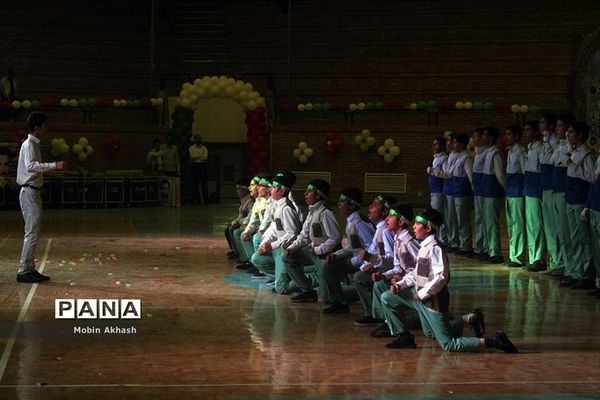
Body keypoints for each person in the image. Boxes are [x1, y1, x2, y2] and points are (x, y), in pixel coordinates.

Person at [379, 208, 517, 353]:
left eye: (418, 223)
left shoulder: (434, 248)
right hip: (421, 297)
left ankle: (496, 341)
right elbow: (416, 273)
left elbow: (442, 276)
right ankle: (471, 318)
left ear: (428, 228)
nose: (413, 226)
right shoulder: (423, 247)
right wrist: (400, 285)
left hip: (434, 300)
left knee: (448, 344)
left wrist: (424, 293)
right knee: (390, 299)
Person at [16, 112, 67, 283]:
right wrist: (54, 165)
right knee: (31, 233)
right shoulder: (29, 144)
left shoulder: (33, 144)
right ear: (37, 127)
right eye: (45, 126)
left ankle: (29, 267)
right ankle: (24, 270)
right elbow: (31, 166)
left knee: (34, 232)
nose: (47, 128)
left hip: (33, 191)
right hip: (29, 191)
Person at [283, 179, 342, 303]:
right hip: (313, 252)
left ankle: (354, 292)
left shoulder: (325, 213)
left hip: (324, 256)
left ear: (318, 195)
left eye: (309, 191)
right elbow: (304, 235)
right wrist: (291, 248)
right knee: (288, 257)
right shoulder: (311, 212)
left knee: (326, 299)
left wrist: (319, 250)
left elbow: (336, 238)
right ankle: (307, 290)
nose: (305, 194)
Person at [322, 188, 375, 310]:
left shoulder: (360, 223)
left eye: (342, 202)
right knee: (329, 265)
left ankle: (343, 301)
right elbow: (352, 247)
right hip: (356, 257)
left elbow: (371, 249)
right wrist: (336, 254)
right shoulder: (351, 221)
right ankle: (340, 300)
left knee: (331, 268)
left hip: (365, 262)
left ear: (351, 205)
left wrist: (353, 261)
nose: (338, 204)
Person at [561, 121, 596, 290]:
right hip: (571, 198)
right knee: (572, 239)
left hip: (580, 199)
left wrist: (574, 167)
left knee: (583, 239)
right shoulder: (573, 152)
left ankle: (586, 275)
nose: (568, 135)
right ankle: (575, 272)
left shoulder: (587, 155)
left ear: (581, 135)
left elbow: (592, 179)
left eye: (572, 132)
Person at [351, 194, 396, 317]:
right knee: (361, 274)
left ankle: (375, 314)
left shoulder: (386, 231)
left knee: (359, 277)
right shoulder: (379, 229)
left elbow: (393, 260)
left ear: (385, 212)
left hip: (390, 272)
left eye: (375, 205)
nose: (370, 207)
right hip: (381, 267)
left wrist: (370, 261)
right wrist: (367, 264)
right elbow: (373, 251)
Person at [548, 112, 576, 278]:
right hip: (556, 189)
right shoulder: (559, 145)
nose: (556, 129)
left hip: (565, 192)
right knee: (558, 230)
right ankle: (563, 264)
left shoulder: (569, 148)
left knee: (567, 232)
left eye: (560, 126)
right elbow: (551, 161)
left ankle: (571, 268)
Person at [523, 120, 546, 271]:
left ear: (536, 133)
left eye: (529, 130)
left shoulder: (539, 149)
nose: (526, 134)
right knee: (531, 226)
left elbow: (541, 172)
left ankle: (538, 258)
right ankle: (533, 257)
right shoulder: (530, 149)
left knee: (537, 225)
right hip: (529, 190)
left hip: (535, 191)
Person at [539, 113, 560, 273]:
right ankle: (554, 261)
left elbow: (551, 160)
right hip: (545, 187)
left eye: (543, 122)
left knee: (555, 226)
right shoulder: (545, 142)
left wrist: (547, 142)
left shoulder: (555, 142)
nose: (541, 125)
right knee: (549, 227)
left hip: (554, 188)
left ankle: (559, 262)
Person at [480, 126, 505, 263]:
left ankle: (496, 252)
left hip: (493, 193)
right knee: (487, 223)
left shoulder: (495, 153)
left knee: (492, 224)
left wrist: (504, 190)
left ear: (491, 138)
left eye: (485, 135)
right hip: (486, 193)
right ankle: (490, 250)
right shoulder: (488, 152)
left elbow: (500, 175)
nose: (483, 137)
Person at [504, 124, 526, 268]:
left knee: (518, 225)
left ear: (517, 137)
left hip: (517, 192)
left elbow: (525, 172)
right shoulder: (510, 151)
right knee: (511, 225)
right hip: (510, 192)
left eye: (509, 134)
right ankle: (513, 254)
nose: (506, 137)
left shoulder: (520, 151)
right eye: (505, 134)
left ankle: (518, 257)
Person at [426, 136, 448, 246]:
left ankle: (442, 239)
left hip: (440, 190)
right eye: (433, 144)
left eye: (436, 144)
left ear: (442, 146)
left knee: (439, 215)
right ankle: (438, 238)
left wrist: (434, 171)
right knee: (435, 214)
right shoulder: (435, 158)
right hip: (434, 190)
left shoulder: (444, 159)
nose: (434, 146)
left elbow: (446, 174)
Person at [225, 179, 254, 260]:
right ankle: (236, 251)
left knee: (237, 232)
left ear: (245, 190)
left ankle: (245, 257)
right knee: (229, 228)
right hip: (244, 223)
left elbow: (250, 217)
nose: (237, 191)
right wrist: (234, 222)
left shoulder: (250, 201)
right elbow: (240, 216)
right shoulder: (244, 201)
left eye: (239, 189)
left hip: (248, 224)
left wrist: (240, 223)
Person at [189, 135, 208, 204]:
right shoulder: (191, 148)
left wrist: (196, 157)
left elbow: (205, 158)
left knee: (204, 184)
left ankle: (206, 201)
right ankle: (196, 200)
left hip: (202, 166)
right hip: (194, 166)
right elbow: (191, 157)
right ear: (194, 140)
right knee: (194, 184)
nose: (198, 140)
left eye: (199, 138)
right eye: (196, 139)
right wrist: (200, 155)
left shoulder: (204, 148)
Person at [162, 134, 181, 207]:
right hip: (165, 169)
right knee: (165, 187)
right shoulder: (162, 147)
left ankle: (173, 202)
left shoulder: (175, 148)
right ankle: (166, 202)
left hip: (173, 170)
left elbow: (177, 160)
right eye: (168, 139)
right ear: (166, 139)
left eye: (171, 139)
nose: (169, 140)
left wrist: (178, 170)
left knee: (172, 187)